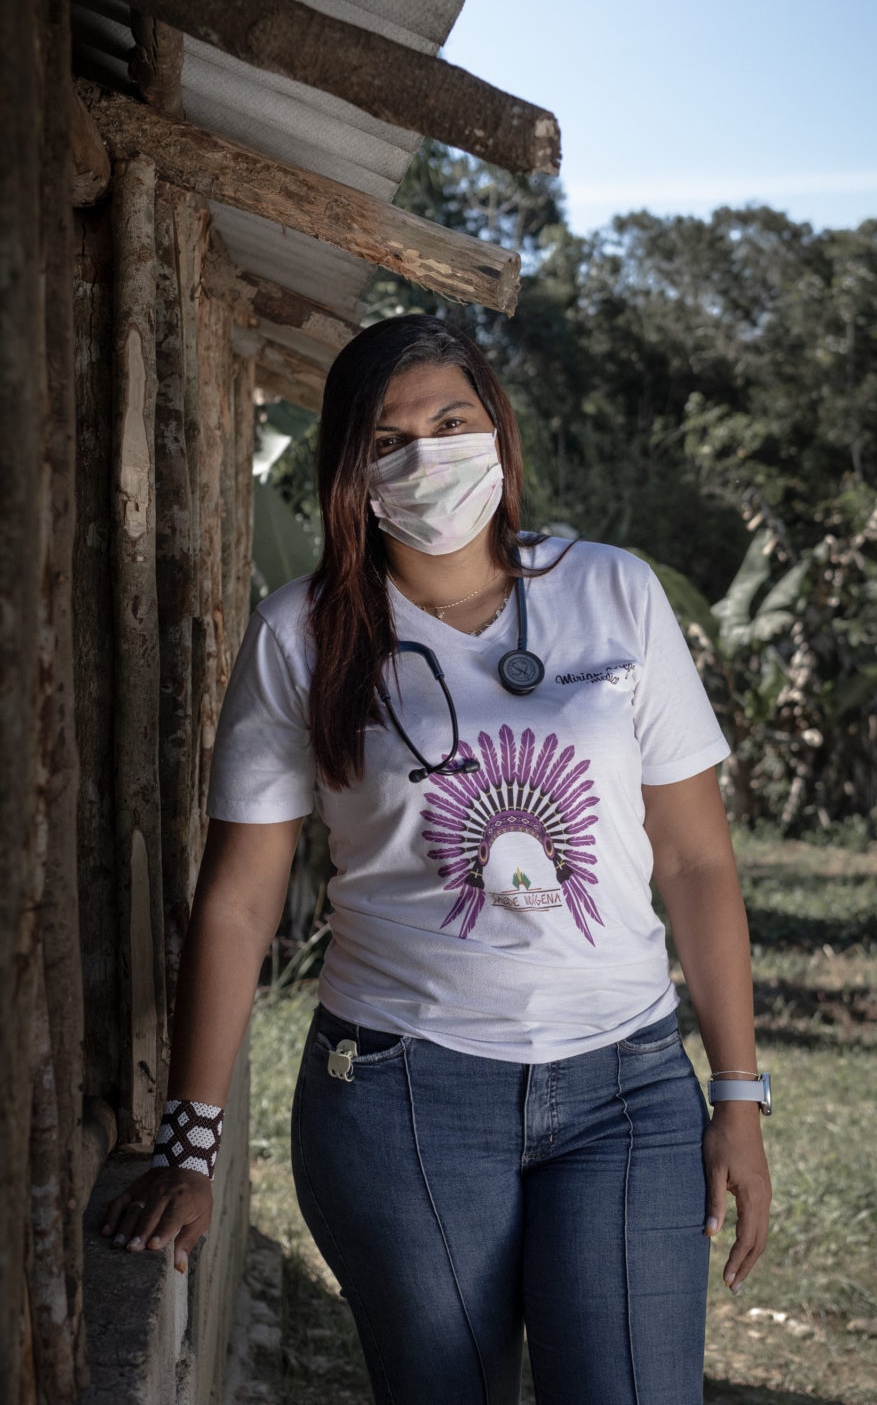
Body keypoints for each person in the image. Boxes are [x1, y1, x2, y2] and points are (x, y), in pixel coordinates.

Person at [101, 313, 771, 1405]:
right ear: (349, 470)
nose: (428, 456)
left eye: (451, 421)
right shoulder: (300, 635)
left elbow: (696, 862)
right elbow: (236, 903)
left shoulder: (612, 591)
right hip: (401, 1091)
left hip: (628, 1086)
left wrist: (737, 1095)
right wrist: (190, 1143)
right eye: (388, 438)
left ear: (497, 433)